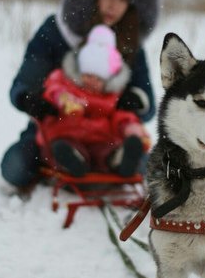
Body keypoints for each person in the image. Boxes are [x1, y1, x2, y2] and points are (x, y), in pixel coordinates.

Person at [0, 0, 158, 190]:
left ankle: (108, 163)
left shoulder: (130, 44)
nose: (113, 5)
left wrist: (132, 100)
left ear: (132, 6)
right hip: (57, 125)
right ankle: (69, 161)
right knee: (15, 168)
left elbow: (147, 103)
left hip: (108, 133)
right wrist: (31, 99)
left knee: (147, 165)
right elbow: (25, 82)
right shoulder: (56, 31)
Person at [37, 24, 151, 177]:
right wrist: (63, 99)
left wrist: (132, 130)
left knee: (106, 150)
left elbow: (122, 117)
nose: (92, 81)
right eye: (88, 75)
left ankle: (118, 158)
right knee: (59, 147)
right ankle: (72, 160)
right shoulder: (67, 85)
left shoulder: (111, 97)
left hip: (100, 140)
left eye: (98, 79)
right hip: (68, 135)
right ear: (80, 71)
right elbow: (53, 89)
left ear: (107, 80)